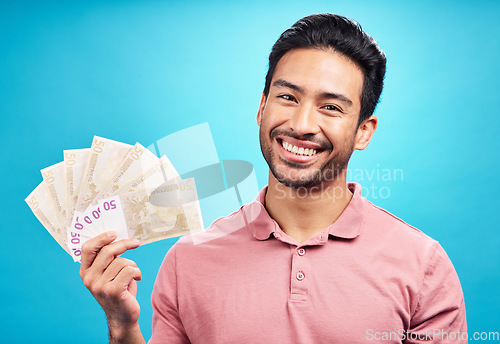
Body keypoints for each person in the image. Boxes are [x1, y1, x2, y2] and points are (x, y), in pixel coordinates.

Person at [80, 13, 467, 343]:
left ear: (364, 131)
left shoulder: (423, 266)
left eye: (330, 107)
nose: (301, 125)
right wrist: (123, 326)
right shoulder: (188, 261)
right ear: (262, 106)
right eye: (287, 98)